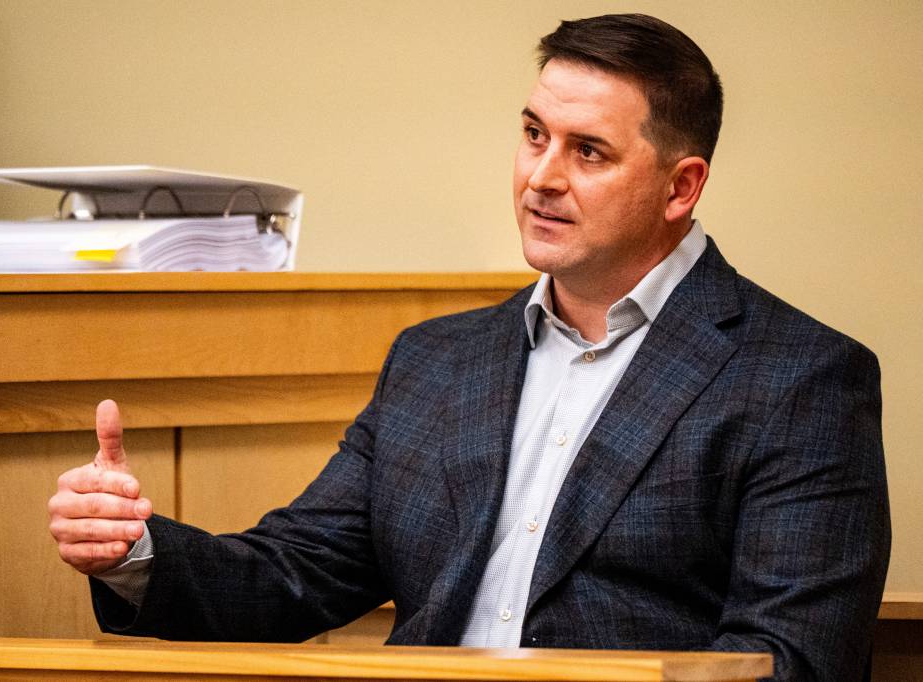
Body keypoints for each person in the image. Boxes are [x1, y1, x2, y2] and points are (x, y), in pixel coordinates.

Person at [47, 14, 890, 681]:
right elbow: (296, 572)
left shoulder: (801, 379)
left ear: (682, 186)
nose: (540, 177)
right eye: (533, 134)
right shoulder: (437, 361)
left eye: (587, 150)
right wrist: (134, 548)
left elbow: (791, 663)